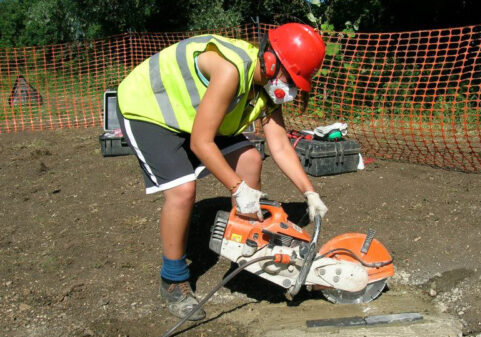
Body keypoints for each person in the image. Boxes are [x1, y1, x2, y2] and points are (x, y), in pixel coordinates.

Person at [115, 23, 329, 321]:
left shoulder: (266, 88)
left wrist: (310, 192)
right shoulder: (231, 71)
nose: (291, 89)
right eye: (290, 79)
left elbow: (279, 145)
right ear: (270, 60)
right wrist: (238, 189)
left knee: (251, 160)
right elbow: (201, 142)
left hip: (193, 115)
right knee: (182, 190)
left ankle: (243, 252)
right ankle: (173, 281)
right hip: (152, 109)